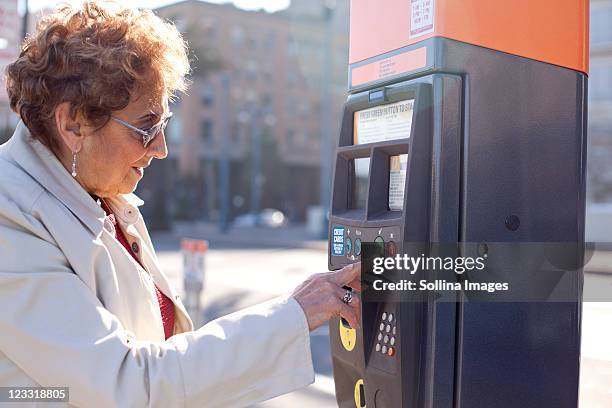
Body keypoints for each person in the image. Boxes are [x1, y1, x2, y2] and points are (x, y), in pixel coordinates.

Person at [0, 2, 361, 407]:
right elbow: (128, 385)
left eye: (164, 125)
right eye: (147, 127)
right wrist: (294, 314)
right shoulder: (10, 215)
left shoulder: (100, 197)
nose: (162, 149)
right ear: (73, 124)